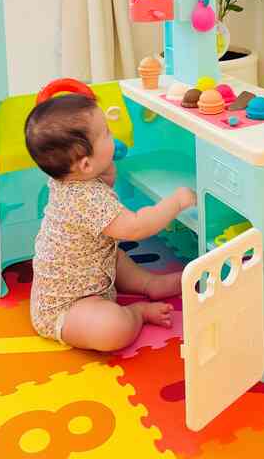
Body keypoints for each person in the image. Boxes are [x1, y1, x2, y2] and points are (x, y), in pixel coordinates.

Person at [25, 93, 196, 351]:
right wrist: (176, 202)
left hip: (93, 271)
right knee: (113, 329)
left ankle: (149, 283)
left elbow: (102, 198)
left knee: (113, 254)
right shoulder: (85, 198)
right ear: (85, 164)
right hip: (68, 309)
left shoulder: (68, 178)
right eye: (106, 132)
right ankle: (137, 312)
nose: (112, 134)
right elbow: (136, 227)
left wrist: (104, 169)